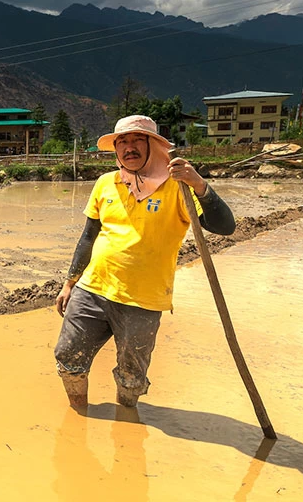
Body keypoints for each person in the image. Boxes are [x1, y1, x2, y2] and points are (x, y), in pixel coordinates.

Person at [53, 115, 236, 409]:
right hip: (93, 289)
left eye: (138, 140)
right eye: (122, 142)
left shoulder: (178, 187)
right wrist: (69, 283)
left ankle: (126, 422)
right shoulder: (106, 183)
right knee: (68, 358)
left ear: (154, 145)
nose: (129, 147)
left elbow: (225, 227)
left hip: (144, 300)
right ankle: (79, 416)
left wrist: (199, 184)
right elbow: (88, 236)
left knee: (131, 376)